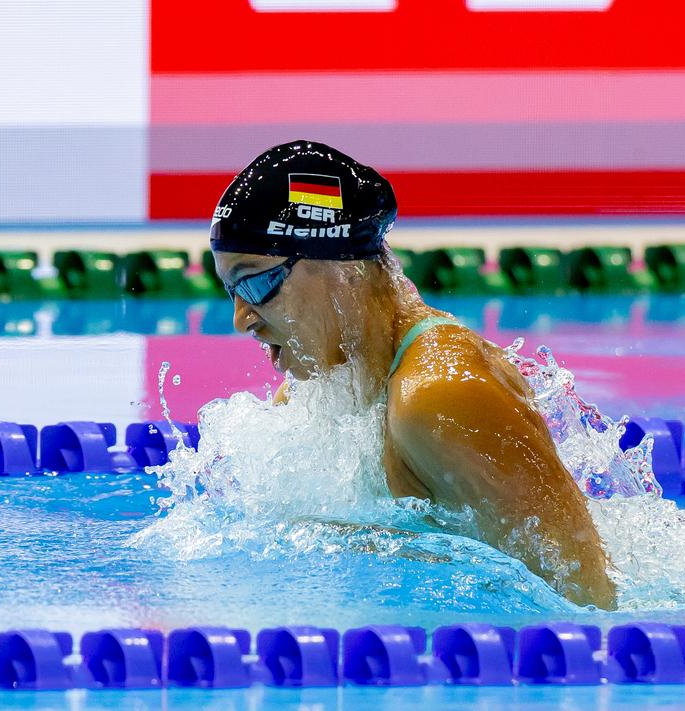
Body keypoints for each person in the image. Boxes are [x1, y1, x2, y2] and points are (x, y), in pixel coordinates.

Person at [209, 140, 617, 609]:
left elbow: (588, 603)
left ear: (342, 269)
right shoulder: (323, 389)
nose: (242, 318)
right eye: (230, 290)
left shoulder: (438, 394)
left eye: (257, 282)